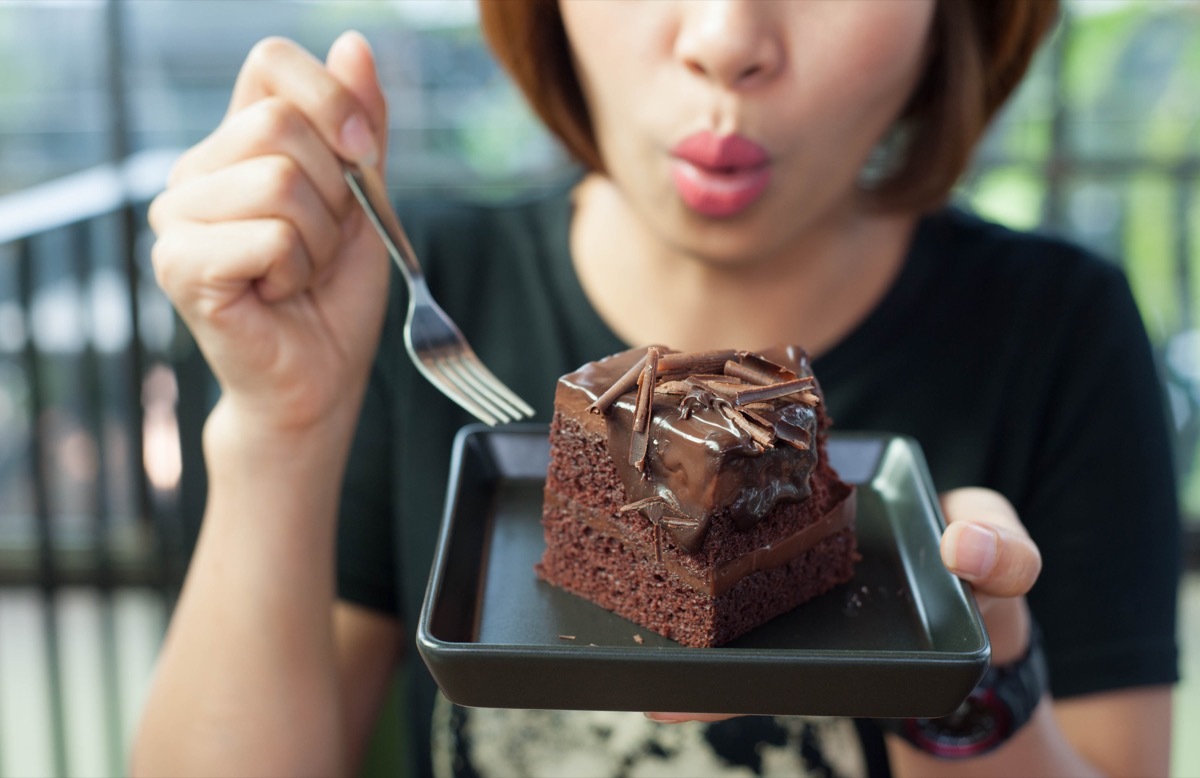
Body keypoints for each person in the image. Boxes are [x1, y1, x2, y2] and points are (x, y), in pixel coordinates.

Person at [132, 1, 1181, 776]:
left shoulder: (1059, 335)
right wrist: (282, 426)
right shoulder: (398, 295)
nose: (725, 37)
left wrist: (972, 690)